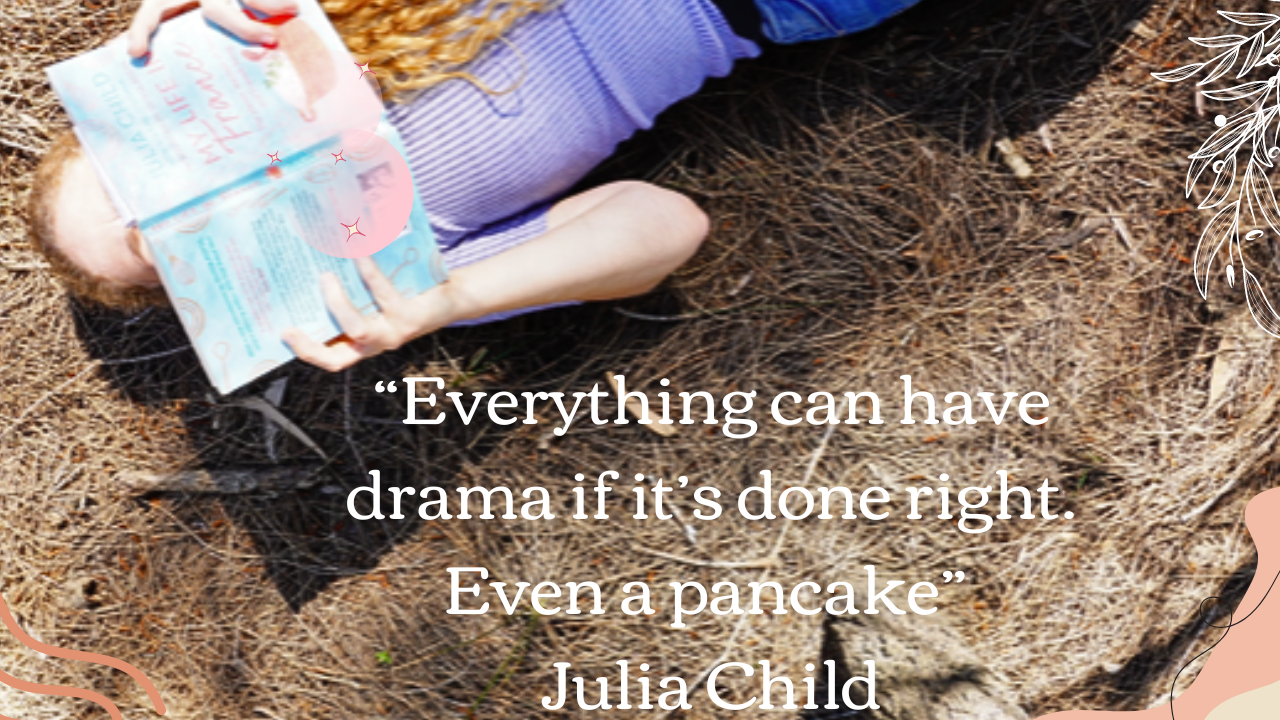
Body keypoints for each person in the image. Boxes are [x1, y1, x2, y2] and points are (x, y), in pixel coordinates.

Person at [26, 0, 921, 373]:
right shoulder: (397, 264)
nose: (195, 196)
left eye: (133, 178)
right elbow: (666, 226)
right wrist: (452, 299)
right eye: (172, 245)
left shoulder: (268, 22)